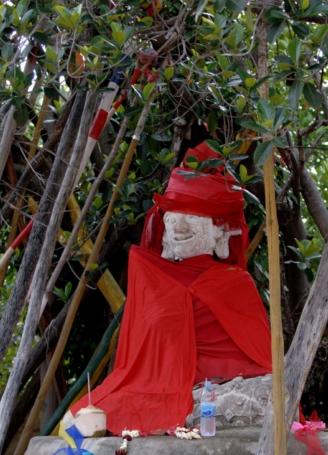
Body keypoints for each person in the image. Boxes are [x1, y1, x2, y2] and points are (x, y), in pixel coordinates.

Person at [65, 142, 272, 435]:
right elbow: (137, 365)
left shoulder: (236, 282)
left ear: (220, 232)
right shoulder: (152, 278)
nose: (178, 226)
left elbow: (262, 359)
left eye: (192, 217)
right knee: (79, 418)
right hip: (160, 389)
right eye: (172, 217)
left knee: (272, 394)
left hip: (223, 390)